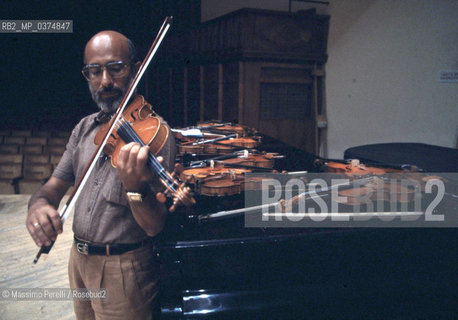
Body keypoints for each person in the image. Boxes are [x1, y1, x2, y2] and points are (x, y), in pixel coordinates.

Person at [26, 30, 176, 319]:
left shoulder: (156, 134)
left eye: (115, 68)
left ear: (135, 68)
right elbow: (53, 187)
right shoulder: (84, 128)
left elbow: (154, 226)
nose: (105, 81)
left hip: (124, 269)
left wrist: (136, 189)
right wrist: (38, 205)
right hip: (78, 261)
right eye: (95, 71)